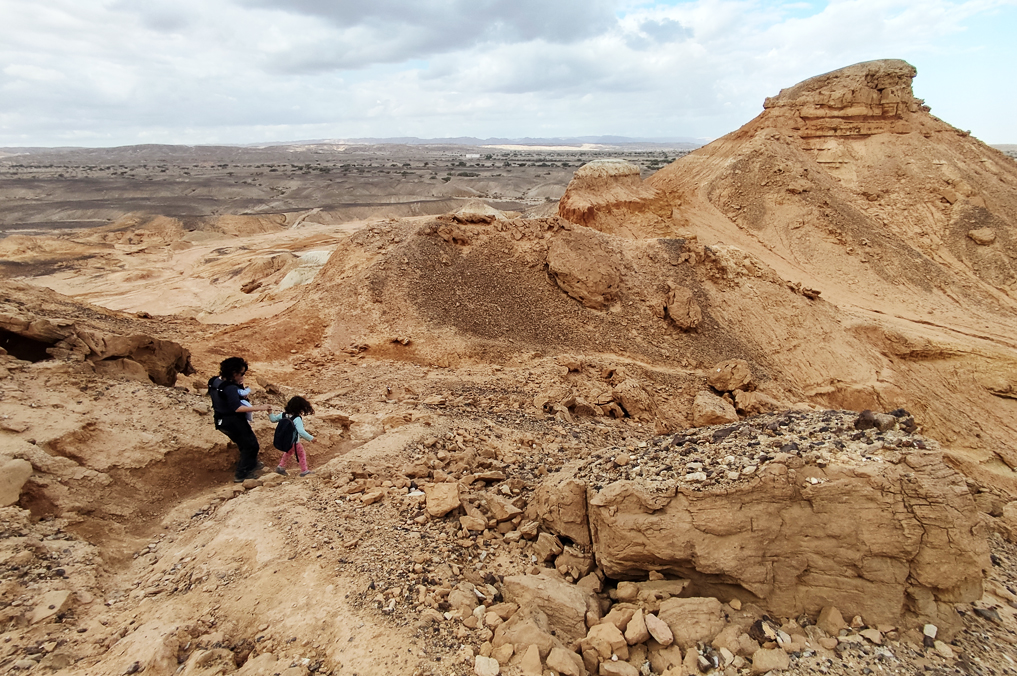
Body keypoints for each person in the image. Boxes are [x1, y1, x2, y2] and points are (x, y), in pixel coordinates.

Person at [211, 357, 271, 482]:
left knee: (243, 444)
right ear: (234, 373)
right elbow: (237, 408)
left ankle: (250, 464)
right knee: (251, 446)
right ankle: (242, 474)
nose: (242, 376)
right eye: (241, 374)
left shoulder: (215, 381)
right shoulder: (230, 388)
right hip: (234, 421)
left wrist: (239, 385)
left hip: (221, 420)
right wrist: (260, 408)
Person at [270, 396, 315, 477]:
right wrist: (311, 438)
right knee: (301, 455)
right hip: (294, 442)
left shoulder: (283, 415)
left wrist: (270, 413)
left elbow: (273, 420)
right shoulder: (297, 418)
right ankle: (304, 470)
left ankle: (280, 467)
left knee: (288, 452)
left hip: (285, 440)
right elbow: (301, 431)